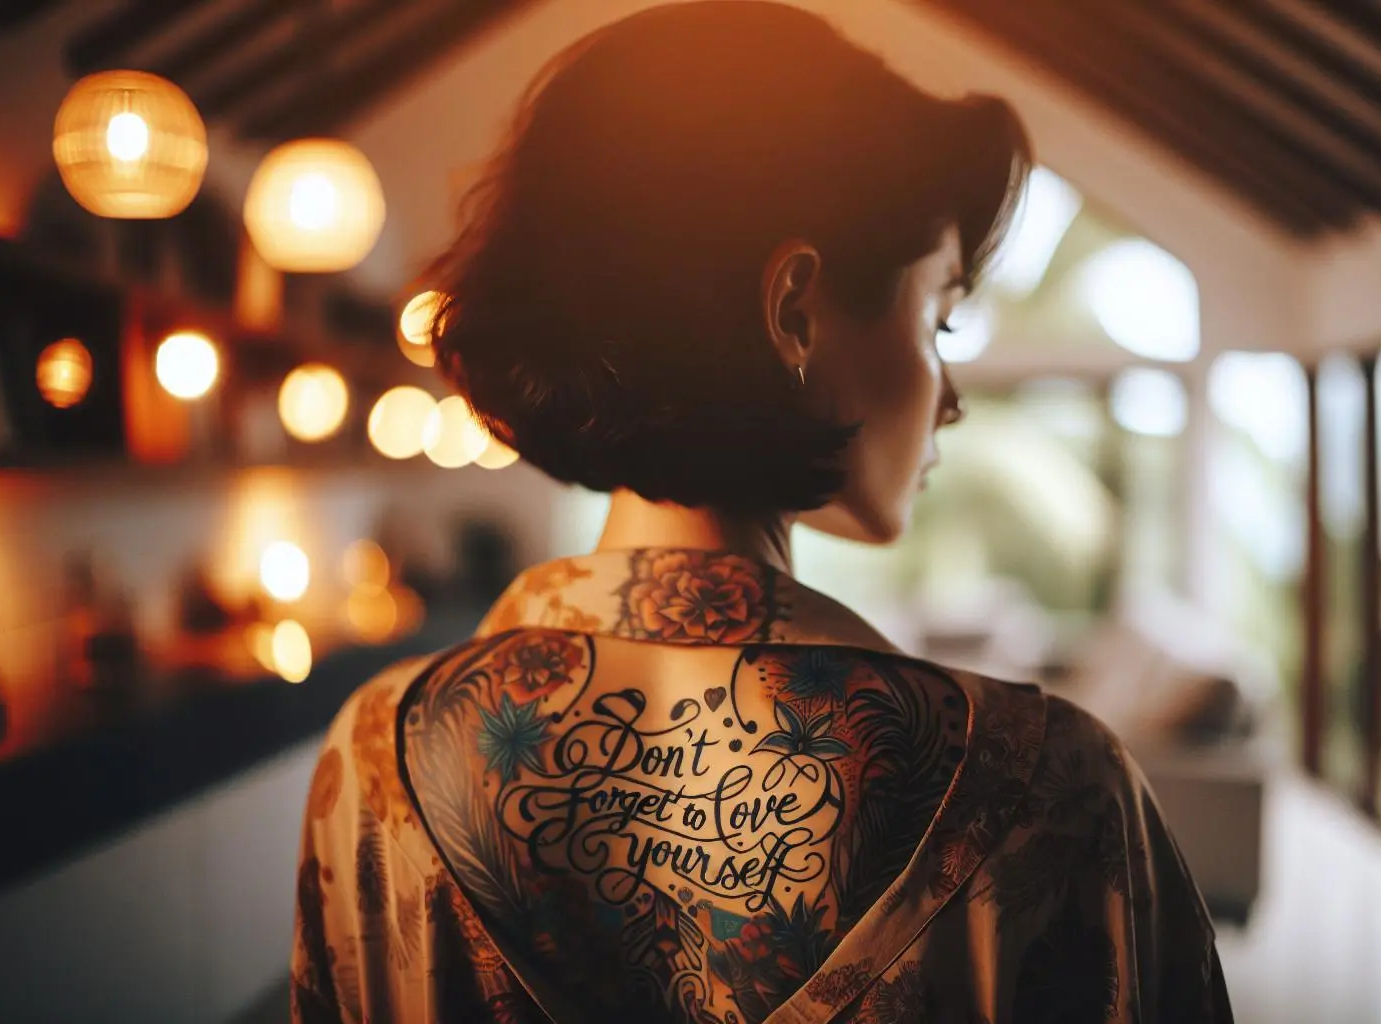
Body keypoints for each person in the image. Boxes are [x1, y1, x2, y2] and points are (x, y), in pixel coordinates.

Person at [289, 3, 1232, 1021]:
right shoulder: (1049, 792)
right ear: (794, 313)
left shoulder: (374, 761)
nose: (951, 393)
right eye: (940, 315)